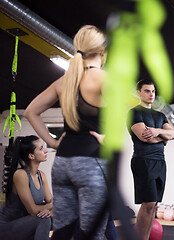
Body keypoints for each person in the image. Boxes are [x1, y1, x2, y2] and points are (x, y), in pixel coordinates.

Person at [24, 25, 109, 240]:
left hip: (62, 164)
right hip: (91, 163)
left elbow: (31, 112)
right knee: (92, 234)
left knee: (63, 232)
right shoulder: (102, 78)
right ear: (102, 51)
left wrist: (52, 143)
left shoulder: (65, 80)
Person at [127, 79, 174, 240]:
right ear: (139, 92)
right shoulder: (134, 112)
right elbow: (145, 137)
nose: (151, 94)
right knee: (148, 203)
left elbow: (171, 135)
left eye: (153, 91)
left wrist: (155, 131)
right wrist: (162, 136)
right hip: (143, 160)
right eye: (147, 91)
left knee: (153, 205)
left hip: (160, 162)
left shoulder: (160, 115)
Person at [0, 135, 52, 240]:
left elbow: (50, 201)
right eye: (41, 149)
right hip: (7, 228)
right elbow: (32, 210)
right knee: (44, 219)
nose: (46, 151)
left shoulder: (41, 175)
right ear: (31, 156)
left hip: (24, 223)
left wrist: (51, 210)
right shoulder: (20, 175)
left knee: (65, 214)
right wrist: (51, 206)